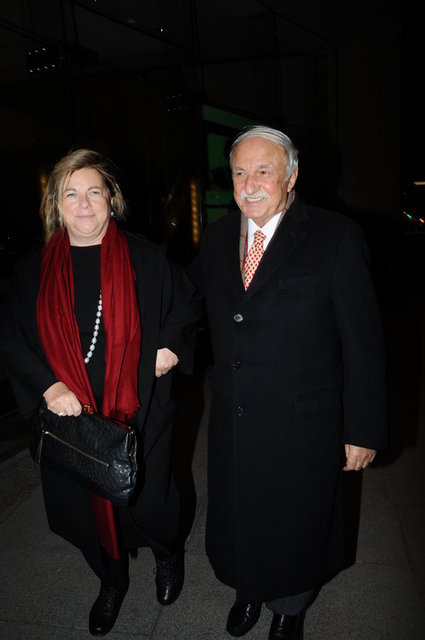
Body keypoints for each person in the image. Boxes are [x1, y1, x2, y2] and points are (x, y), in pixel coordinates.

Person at [187, 125, 388, 640]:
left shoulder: (334, 236)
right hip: (236, 416)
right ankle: (250, 588)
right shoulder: (217, 237)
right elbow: (188, 301)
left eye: (264, 171)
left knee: (297, 521)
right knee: (243, 512)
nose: (249, 184)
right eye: (239, 172)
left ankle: (290, 606)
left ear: (291, 176)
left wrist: (362, 428)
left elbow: (363, 342)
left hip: (304, 421)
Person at [0, 149, 199, 636]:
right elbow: (10, 339)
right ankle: (110, 580)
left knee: (150, 501)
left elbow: (187, 302)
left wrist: (170, 345)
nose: (84, 204)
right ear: (56, 204)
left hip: (140, 408)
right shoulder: (32, 270)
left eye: (94, 191)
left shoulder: (146, 258)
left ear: (112, 198)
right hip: (71, 421)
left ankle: (167, 553)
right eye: (71, 194)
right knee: (84, 511)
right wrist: (48, 386)